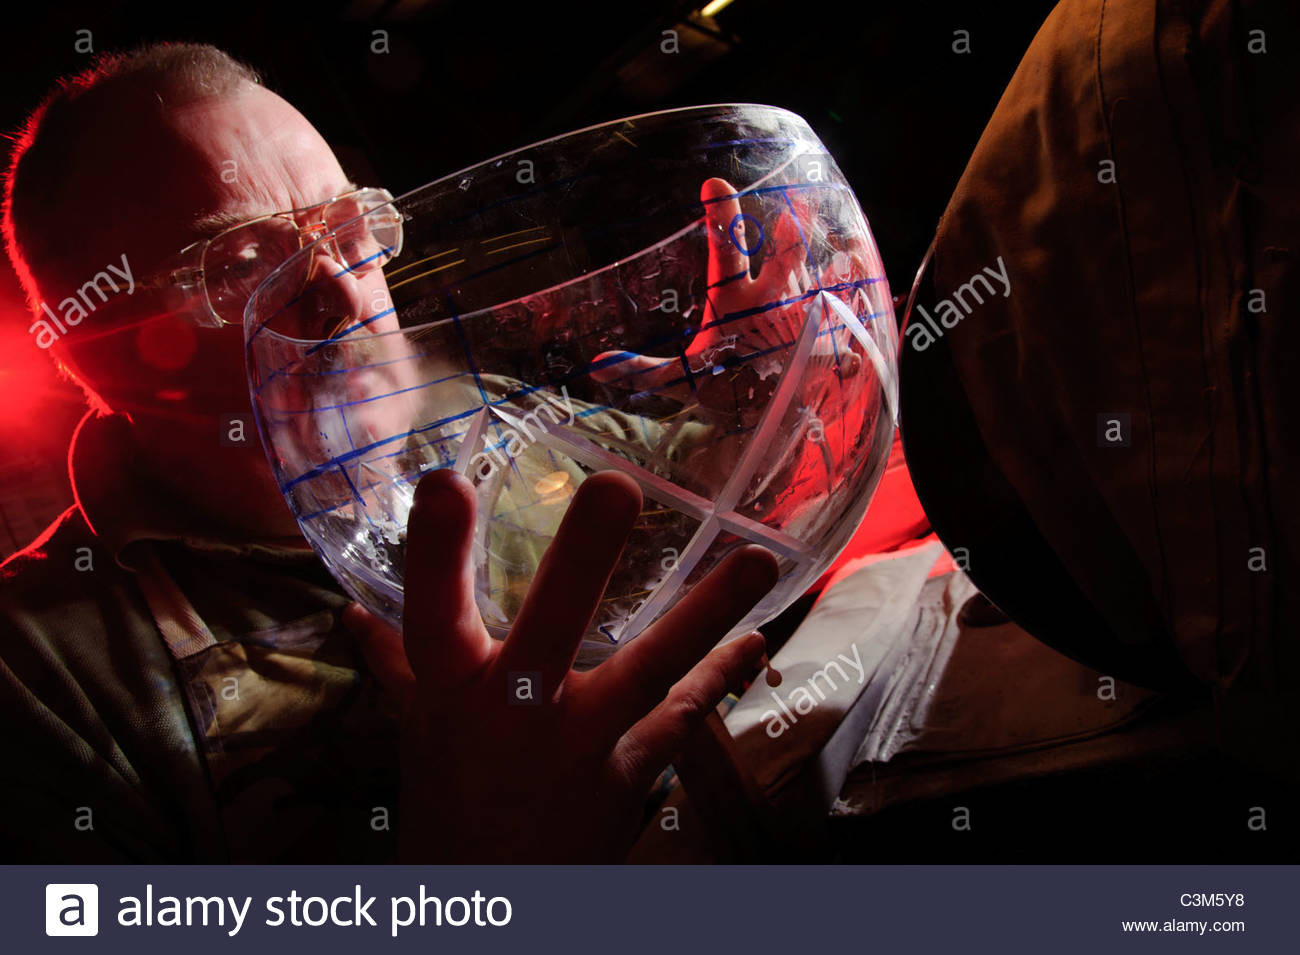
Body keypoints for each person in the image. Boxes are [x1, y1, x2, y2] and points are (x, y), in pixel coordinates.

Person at [0, 42, 784, 862]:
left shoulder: (482, 418)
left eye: (350, 230)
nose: (345, 294)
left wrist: (749, 395)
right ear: (99, 352)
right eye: (240, 267)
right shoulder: (43, 677)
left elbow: (717, 491)